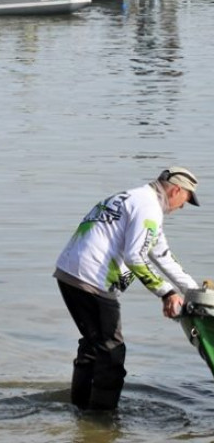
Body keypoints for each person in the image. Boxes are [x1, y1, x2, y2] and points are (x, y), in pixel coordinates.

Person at [54, 168, 200, 411]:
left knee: (93, 345)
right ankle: (103, 421)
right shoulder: (149, 209)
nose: (183, 207)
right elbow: (135, 258)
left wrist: (195, 292)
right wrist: (167, 293)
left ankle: (79, 408)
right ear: (176, 190)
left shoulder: (135, 198)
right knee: (112, 351)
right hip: (92, 280)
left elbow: (161, 255)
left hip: (69, 273)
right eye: (186, 200)